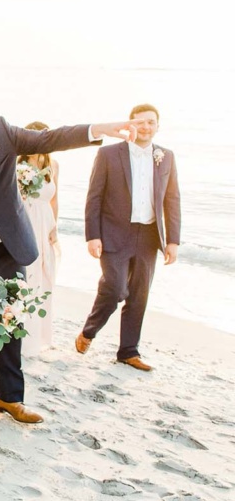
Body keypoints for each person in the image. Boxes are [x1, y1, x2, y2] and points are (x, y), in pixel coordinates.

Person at [0, 90, 141, 424]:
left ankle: (8, 397)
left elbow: (50, 138)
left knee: (9, 320)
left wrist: (100, 129)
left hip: (9, 246)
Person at [76, 104, 181, 371]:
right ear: (130, 124)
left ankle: (128, 351)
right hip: (114, 232)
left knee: (139, 295)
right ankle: (89, 330)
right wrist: (92, 235)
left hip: (149, 235)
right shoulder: (108, 154)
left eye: (151, 122)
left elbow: (172, 199)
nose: (146, 127)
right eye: (140, 122)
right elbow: (94, 197)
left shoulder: (166, 156)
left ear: (158, 126)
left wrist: (173, 240)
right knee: (115, 288)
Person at [17, 121, 60, 356]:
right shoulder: (17, 165)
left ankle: (41, 334)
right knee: (28, 274)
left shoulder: (53, 165)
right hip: (26, 221)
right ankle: (24, 334)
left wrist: (55, 227)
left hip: (45, 223)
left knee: (45, 275)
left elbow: (54, 199)